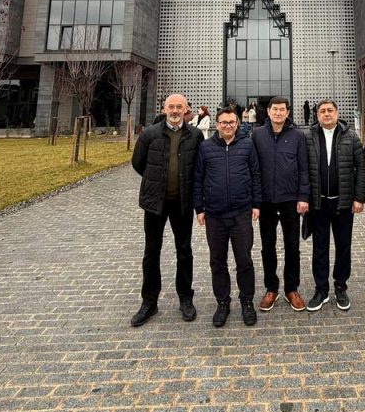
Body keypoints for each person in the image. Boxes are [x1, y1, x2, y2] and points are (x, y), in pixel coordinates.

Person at [130, 93, 205, 327]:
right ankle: (149, 301)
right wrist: (156, 181)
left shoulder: (195, 135)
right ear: (164, 109)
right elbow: (138, 163)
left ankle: (185, 298)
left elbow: (199, 167)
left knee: (184, 251)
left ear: (186, 110)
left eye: (179, 107)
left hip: (182, 203)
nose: (174, 111)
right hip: (155, 203)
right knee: (152, 252)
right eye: (171, 107)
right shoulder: (150, 134)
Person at [194, 107, 261, 327]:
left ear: (237, 123)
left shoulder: (247, 144)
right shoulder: (205, 147)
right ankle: (222, 302)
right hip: (215, 215)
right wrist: (199, 209)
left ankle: (247, 301)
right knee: (217, 262)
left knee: (244, 261)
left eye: (231, 122)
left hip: (241, 213)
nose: (228, 126)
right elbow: (198, 179)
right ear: (217, 124)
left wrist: (256, 204)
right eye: (223, 122)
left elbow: (255, 174)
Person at [305, 100, 365, 311]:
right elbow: (302, 169)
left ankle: (340, 286)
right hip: (318, 204)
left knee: (343, 246)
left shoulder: (351, 136)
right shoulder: (309, 136)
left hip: (343, 203)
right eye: (322, 111)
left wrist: (359, 198)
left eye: (330, 110)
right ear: (317, 115)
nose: (326, 114)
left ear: (337, 113)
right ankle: (321, 289)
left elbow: (362, 168)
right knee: (319, 247)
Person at [251, 96, 309, 312]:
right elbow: (253, 169)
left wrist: (303, 197)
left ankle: (291, 289)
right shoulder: (257, 135)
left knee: (292, 246)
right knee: (268, 246)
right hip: (266, 200)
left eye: (282, 109)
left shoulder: (297, 136)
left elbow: (304, 168)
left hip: (290, 200)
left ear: (287, 112)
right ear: (268, 112)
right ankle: (271, 288)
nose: (278, 113)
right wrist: (254, 200)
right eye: (274, 109)